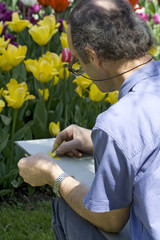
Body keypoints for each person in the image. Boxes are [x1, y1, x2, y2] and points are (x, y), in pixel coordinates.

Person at [17, 0, 160, 239]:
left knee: (67, 206)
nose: (78, 67)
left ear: (93, 57)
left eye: (77, 61)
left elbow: (111, 219)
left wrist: (53, 176)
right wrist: (98, 142)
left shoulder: (118, 123)